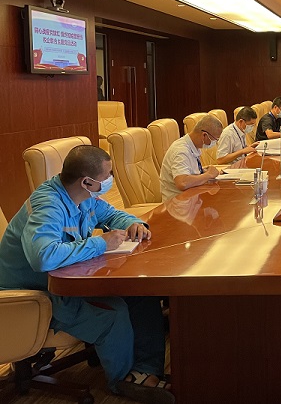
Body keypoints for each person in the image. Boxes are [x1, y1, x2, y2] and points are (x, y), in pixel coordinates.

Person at [0, 145, 172, 403]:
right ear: (87, 182)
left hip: (68, 283)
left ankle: (146, 369)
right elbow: (43, 256)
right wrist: (101, 243)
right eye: (107, 175)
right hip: (33, 298)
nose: (111, 179)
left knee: (140, 293)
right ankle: (122, 381)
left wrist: (133, 223)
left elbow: (111, 214)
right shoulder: (48, 205)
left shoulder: (82, 195)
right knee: (113, 312)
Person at [160, 114, 223, 201]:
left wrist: (202, 171)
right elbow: (182, 183)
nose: (215, 143)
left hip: (192, 198)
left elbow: (187, 171)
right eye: (215, 140)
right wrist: (208, 175)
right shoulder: (181, 150)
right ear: (204, 135)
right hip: (177, 203)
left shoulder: (193, 146)